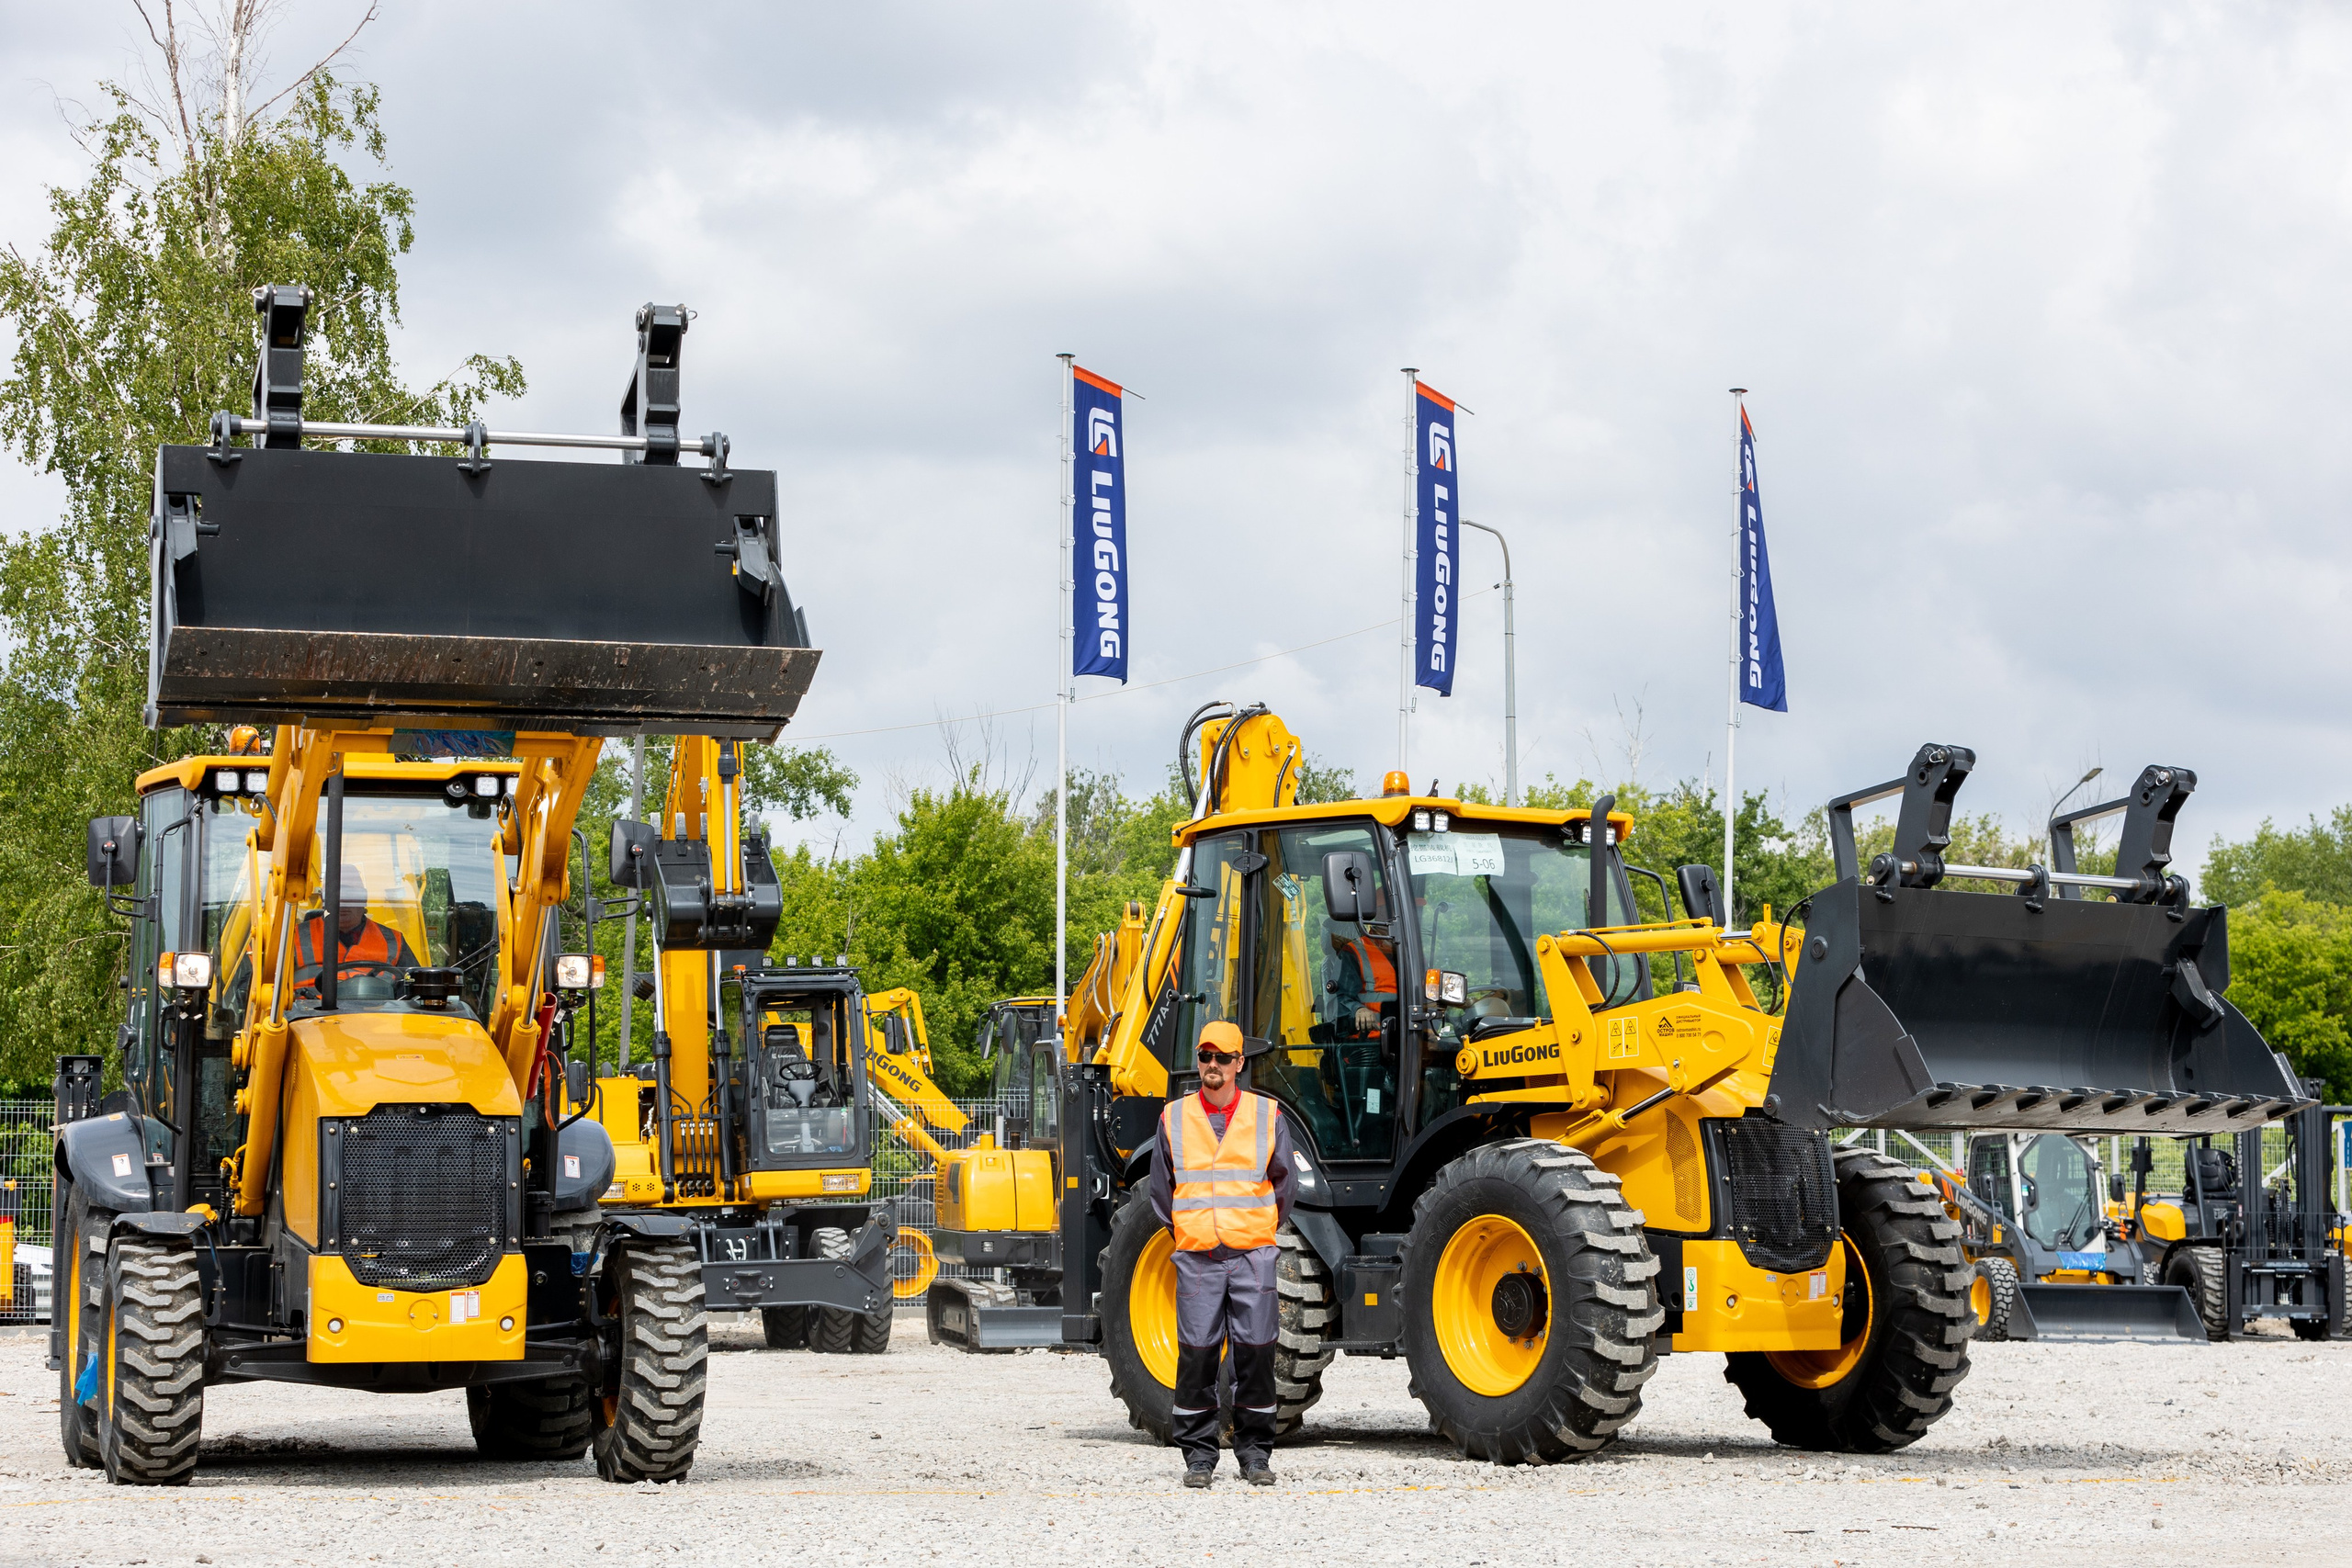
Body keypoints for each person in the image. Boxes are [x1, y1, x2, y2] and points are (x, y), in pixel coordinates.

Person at [1148, 1019, 1296, 1489]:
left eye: (1221, 1058)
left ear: (1239, 1063)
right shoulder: (1173, 1117)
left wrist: (1259, 1227)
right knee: (1197, 1356)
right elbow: (1161, 1191)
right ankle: (1198, 1456)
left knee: (1256, 1352)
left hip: (1252, 1254)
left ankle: (1255, 1454)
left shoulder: (1267, 1116)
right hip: (1197, 1258)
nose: (1211, 1066)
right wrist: (1192, 1232)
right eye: (1204, 1057)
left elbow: (1284, 1184)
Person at [292, 863, 419, 996]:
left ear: (364, 898)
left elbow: (416, 987)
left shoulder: (394, 940)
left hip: (377, 1013)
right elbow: (274, 985)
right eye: (335, 895)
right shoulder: (294, 937)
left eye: (350, 895)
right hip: (309, 1013)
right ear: (323, 899)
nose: (343, 902)